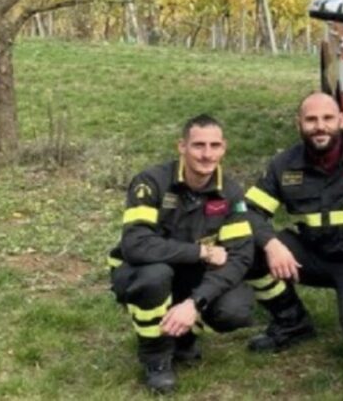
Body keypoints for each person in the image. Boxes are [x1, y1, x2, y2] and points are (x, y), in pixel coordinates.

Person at [107, 114, 255, 394]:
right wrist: (201, 251)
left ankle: (184, 336)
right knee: (155, 276)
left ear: (224, 148)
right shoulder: (151, 182)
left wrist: (195, 303)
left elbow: (239, 256)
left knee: (235, 309)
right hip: (141, 270)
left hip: (190, 278)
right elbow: (135, 244)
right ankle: (156, 357)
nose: (207, 154)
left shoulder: (231, 191)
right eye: (198, 145)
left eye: (214, 146)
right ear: (181, 146)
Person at [243, 92, 343, 351]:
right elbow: (248, 211)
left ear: (341, 120)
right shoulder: (283, 164)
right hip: (311, 255)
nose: (319, 126)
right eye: (311, 119)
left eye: (327, 118)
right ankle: (292, 322)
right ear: (298, 124)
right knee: (248, 247)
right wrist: (271, 244)